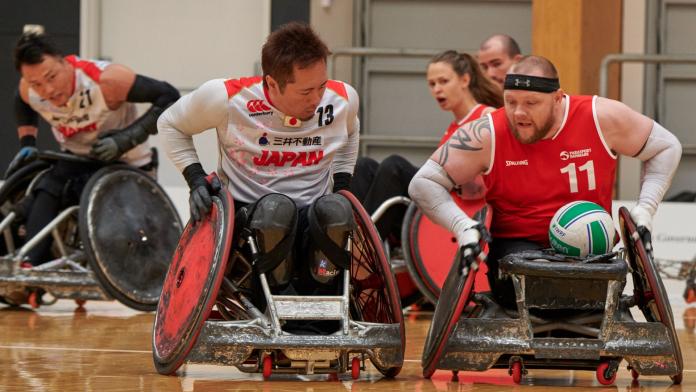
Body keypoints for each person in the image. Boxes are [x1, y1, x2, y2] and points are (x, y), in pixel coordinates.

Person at [409, 55, 681, 308]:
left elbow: (666, 147)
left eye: (531, 103)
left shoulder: (600, 117)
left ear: (558, 99)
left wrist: (646, 209)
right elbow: (424, 183)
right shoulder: (488, 132)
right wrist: (464, 226)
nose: (518, 113)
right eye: (511, 101)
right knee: (535, 278)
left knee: (591, 283)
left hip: (591, 249)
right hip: (519, 249)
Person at [158, 22, 359, 307]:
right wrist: (195, 178)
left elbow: (351, 132)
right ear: (272, 84)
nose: (316, 99)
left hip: (311, 213)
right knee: (276, 210)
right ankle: (275, 299)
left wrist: (342, 183)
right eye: (305, 92)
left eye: (322, 86)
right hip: (249, 217)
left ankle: (322, 296)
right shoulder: (225, 98)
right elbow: (169, 124)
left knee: (337, 209)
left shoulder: (343, 99)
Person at [10, 32, 180, 266]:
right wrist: (27, 142)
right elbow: (21, 103)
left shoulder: (106, 80)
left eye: (51, 77)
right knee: (46, 187)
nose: (47, 90)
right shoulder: (28, 89)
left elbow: (169, 96)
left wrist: (126, 139)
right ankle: (28, 266)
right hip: (79, 159)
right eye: (37, 84)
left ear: (64, 62)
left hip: (126, 161)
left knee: (131, 225)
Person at [352, 51, 502, 242]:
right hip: (434, 206)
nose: (437, 89)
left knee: (394, 166)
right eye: (432, 84)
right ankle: (353, 239)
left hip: (459, 211)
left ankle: (365, 245)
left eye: (443, 81)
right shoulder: (453, 127)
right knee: (364, 166)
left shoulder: (487, 116)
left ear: (465, 80)